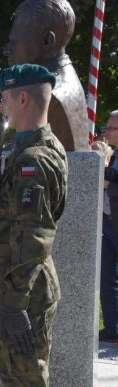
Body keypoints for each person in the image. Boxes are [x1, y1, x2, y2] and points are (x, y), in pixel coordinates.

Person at [0, 64, 67, 387]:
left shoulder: (33, 160)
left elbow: (34, 237)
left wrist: (15, 304)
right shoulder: (38, 149)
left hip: (22, 290)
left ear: (22, 98)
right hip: (17, 284)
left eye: (4, 99)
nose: (1, 108)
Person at [5, 0, 87, 152]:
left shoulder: (51, 95)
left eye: (15, 42)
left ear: (47, 41)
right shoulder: (57, 81)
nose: (7, 50)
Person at [98, 111, 118, 343]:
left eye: (112, 128)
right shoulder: (113, 153)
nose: (107, 132)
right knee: (107, 278)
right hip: (108, 221)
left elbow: (109, 178)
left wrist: (102, 162)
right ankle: (112, 328)